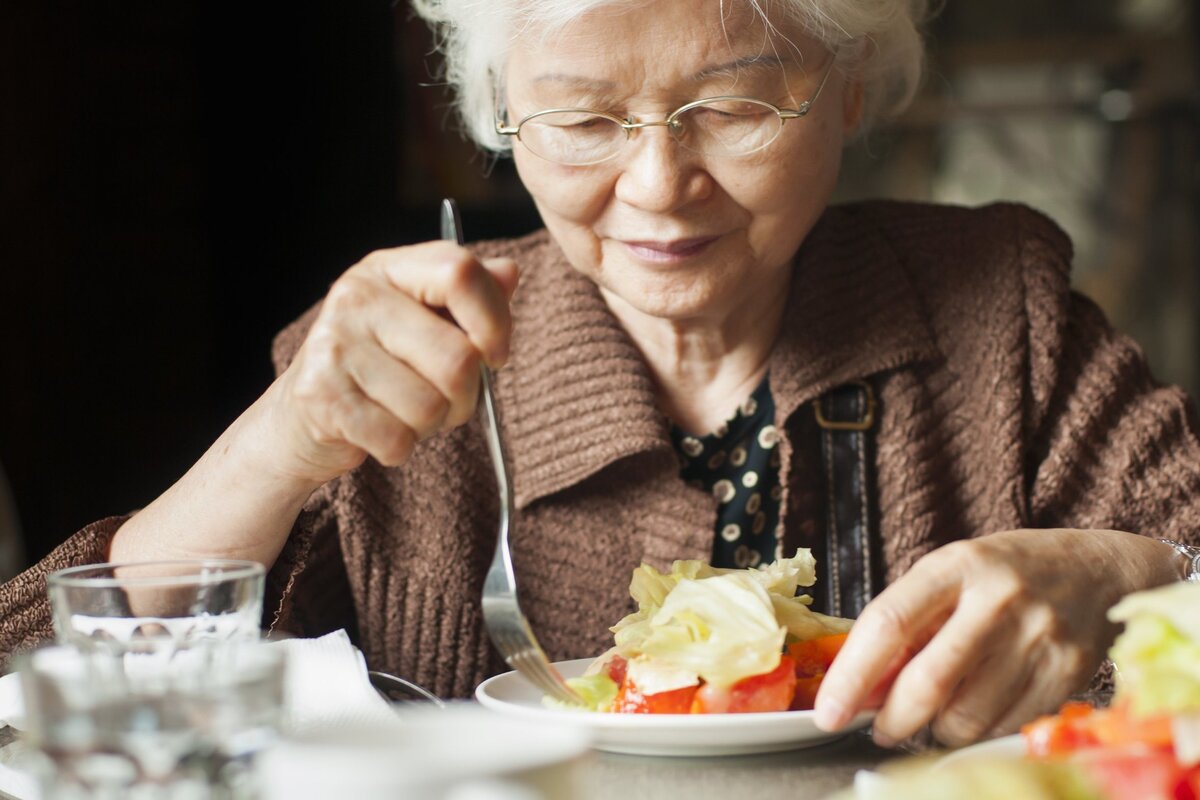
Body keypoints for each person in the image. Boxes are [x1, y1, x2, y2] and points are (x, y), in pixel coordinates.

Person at [2, 0, 1199, 750]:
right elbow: (31, 691)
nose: (660, 187)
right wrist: (276, 440)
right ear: (502, 117)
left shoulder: (1003, 302)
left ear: (847, 87)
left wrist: (1124, 572)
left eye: (732, 105)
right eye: (580, 122)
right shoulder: (390, 367)